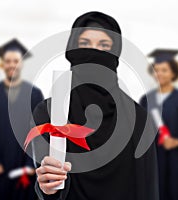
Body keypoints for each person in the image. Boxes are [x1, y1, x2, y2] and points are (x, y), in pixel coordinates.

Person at [32, 11, 159, 200]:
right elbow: (47, 186)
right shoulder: (49, 113)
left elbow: (148, 189)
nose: (94, 52)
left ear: (116, 53)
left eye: (104, 45)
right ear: (71, 49)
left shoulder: (139, 120)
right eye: (84, 44)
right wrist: (47, 187)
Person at [0, 39, 43, 200]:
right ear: (2, 64)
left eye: (16, 61)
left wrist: (31, 163)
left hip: (23, 164)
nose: (11, 65)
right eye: (7, 61)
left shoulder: (34, 94)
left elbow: (39, 130)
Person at [140, 49, 178, 200]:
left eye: (164, 70)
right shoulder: (146, 99)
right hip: (155, 162)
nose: (159, 73)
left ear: (173, 72)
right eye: (156, 70)